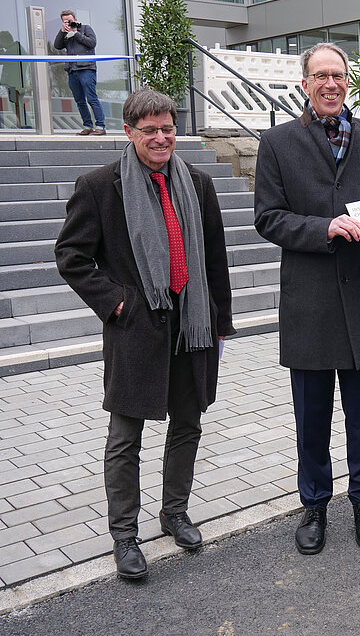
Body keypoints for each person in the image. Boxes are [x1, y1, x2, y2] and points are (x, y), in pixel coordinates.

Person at [55, 88, 235, 579]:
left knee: (188, 423)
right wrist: (117, 303)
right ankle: (125, 535)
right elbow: (71, 256)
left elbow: (214, 259)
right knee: (125, 436)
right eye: (150, 130)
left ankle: (174, 511)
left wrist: (220, 322)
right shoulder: (99, 186)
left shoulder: (197, 183)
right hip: (136, 328)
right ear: (130, 132)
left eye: (168, 128)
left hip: (191, 324)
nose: (161, 138)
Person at [254, 42, 360, 556]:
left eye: (338, 75)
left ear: (348, 81)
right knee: (311, 419)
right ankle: (314, 505)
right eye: (320, 76)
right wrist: (325, 227)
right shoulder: (276, 144)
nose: (331, 84)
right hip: (311, 305)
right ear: (305, 84)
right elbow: (267, 218)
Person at [53, 10, 106, 135]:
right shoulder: (64, 33)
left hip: (87, 69)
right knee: (79, 101)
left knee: (92, 98)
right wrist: (62, 32)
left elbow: (92, 43)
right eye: (65, 21)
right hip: (72, 70)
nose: (68, 23)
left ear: (75, 19)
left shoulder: (86, 29)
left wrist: (76, 34)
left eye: (70, 21)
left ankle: (100, 126)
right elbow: (57, 46)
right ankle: (87, 126)